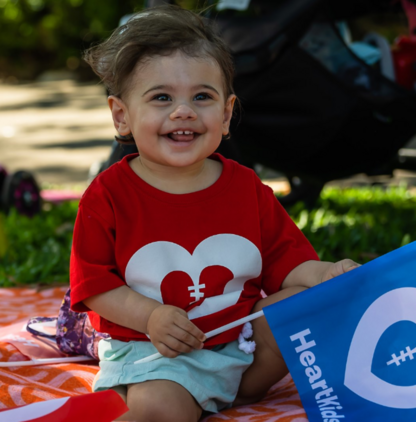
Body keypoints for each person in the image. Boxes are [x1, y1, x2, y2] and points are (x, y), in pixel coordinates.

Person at [69, 5, 359, 421]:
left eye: (201, 97)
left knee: (304, 304)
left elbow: (287, 260)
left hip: (238, 345)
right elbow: (94, 284)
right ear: (122, 116)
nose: (183, 110)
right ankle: (178, 401)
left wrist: (327, 276)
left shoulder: (246, 189)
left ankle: (223, 392)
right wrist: (150, 317)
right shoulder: (109, 194)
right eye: (162, 97)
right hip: (155, 352)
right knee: (162, 411)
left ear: (225, 114)